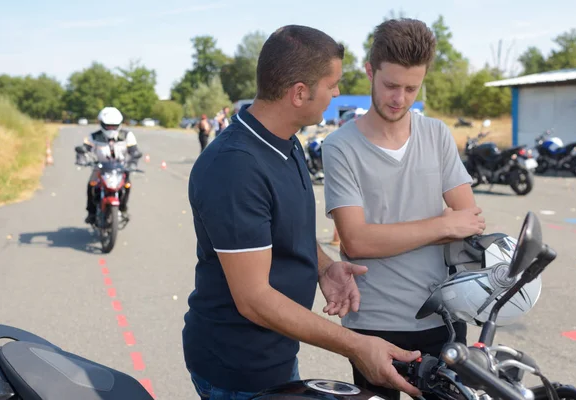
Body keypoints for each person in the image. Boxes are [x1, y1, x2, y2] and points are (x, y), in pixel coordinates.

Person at [182, 24, 422, 400]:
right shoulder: (235, 167)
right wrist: (356, 345)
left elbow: (283, 230)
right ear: (299, 93)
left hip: (276, 355)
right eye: (333, 84)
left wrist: (325, 268)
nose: (338, 93)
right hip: (236, 370)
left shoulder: (287, 142)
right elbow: (254, 299)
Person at [322, 18, 486, 400]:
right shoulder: (340, 147)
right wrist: (443, 225)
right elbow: (358, 240)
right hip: (373, 323)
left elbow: (470, 221)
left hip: (442, 318)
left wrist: (449, 224)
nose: (400, 98)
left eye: (411, 88)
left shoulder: (437, 134)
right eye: (391, 85)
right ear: (369, 72)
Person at [76, 106, 142, 224]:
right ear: (101, 123)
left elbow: (134, 151)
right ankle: (91, 212)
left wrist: (133, 163)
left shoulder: (127, 136)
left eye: (114, 125)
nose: (111, 128)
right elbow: (85, 148)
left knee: (127, 186)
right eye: (108, 125)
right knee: (91, 185)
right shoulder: (94, 136)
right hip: (100, 167)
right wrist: (81, 157)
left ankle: (123, 208)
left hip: (121, 168)